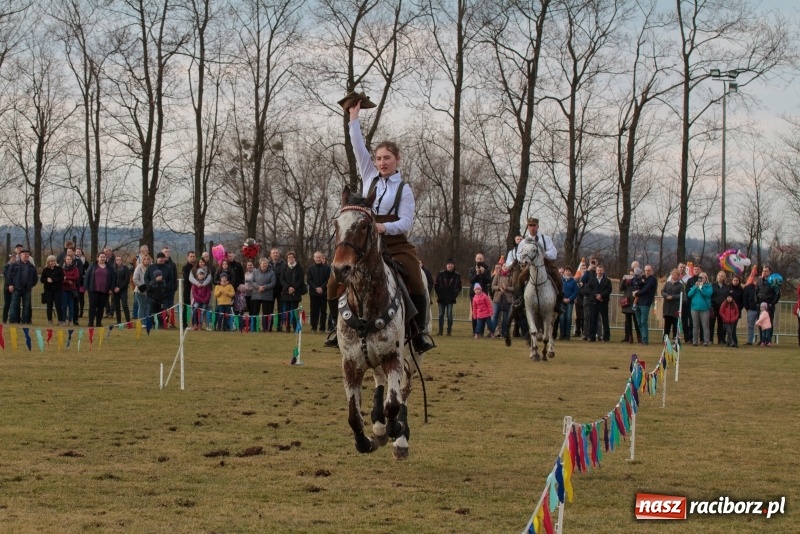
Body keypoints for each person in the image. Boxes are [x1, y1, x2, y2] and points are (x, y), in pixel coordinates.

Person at [326, 97, 435, 353]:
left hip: (395, 244)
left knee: (417, 282)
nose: (382, 162)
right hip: (364, 243)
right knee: (334, 281)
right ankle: (334, 328)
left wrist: (383, 228)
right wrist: (354, 117)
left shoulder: (405, 190)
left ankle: (419, 334)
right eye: (379, 158)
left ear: (397, 159)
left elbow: (406, 222)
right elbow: (357, 146)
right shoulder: (369, 175)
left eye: (387, 158)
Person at [514, 218, 562, 314]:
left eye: (534, 225)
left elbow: (554, 252)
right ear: (528, 227)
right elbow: (518, 255)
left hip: (545, 264)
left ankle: (559, 303)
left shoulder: (545, 238)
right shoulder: (523, 242)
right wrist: (524, 259)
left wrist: (544, 254)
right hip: (529, 265)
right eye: (530, 225)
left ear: (537, 226)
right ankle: (521, 300)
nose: (532, 227)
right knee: (519, 278)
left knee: (558, 278)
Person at [84, 252, 116, 328]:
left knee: (101, 307)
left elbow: (113, 278)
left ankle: (98, 322)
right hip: (93, 290)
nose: (102, 258)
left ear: (106, 258)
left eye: (104, 257)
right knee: (92, 306)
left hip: (104, 291)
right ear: (97, 258)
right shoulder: (92, 266)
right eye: (101, 257)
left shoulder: (109, 267)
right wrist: (86, 288)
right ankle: (91, 322)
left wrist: (111, 288)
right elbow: (87, 277)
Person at [7, 248, 37, 324]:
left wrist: (31, 285)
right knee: (14, 305)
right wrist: (10, 284)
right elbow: (9, 275)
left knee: (26, 306)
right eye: (25, 254)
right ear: (20, 255)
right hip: (16, 288)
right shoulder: (15, 265)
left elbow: (35, 278)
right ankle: (13, 320)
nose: (26, 255)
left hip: (27, 289)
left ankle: (24, 320)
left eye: (28, 254)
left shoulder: (32, 267)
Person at [435, 258, 461, 336]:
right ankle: (440, 331)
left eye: (451, 264)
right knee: (440, 314)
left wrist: (454, 295)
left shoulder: (457, 275)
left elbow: (459, 286)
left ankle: (449, 331)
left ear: (454, 265)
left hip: (451, 298)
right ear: (446, 265)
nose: (450, 265)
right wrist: (439, 294)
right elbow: (436, 285)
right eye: (449, 264)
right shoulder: (440, 274)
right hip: (441, 297)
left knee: (449, 314)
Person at [280, 251, 305, 332]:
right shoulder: (284, 267)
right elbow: (282, 279)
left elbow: (301, 279)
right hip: (286, 292)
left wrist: (294, 288)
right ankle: (287, 327)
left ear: (294, 258)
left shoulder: (299, 268)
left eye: (292, 257)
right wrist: (288, 287)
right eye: (289, 257)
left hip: (296, 292)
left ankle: (295, 326)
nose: (290, 258)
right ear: (287, 259)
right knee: (286, 311)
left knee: (294, 311)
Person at [585, 264, 612, 342]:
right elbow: (587, 289)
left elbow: (609, 290)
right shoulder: (592, 280)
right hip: (593, 302)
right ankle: (591, 336)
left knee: (605, 320)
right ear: (596, 271)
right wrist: (596, 295)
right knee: (593, 319)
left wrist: (601, 295)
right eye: (598, 270)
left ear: (603, 271)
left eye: (601, 270)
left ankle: (606, 337)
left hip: (603, 302)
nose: (599, 272)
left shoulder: (607, 280)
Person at [631, 265, 657, 345]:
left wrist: (637, 293)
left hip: (645, 303)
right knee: (639, 323)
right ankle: (643, 339)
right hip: (638, 302)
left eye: (648, 270)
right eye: (645, 270)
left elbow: (646, 289)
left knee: (643, 322)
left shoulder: (653, 280)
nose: (647, 272)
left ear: (651, 270)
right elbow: (635, 284)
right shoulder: (643, 278)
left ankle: (645, 340)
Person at [755, 265, 781, 343]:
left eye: (766, 271)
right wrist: (756, 302)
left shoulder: (774, 281)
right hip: (760, 304)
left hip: (769, 304)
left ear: (769, 272)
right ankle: (762, 340)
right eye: (763, 271)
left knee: (769, 322)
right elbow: (756, 292)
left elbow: (778, 294)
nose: (764, 272)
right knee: (761, 322)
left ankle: (768, 340)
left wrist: (772, 303)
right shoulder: (759, 281)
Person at [306, 251, 330, 333]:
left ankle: (322, 328)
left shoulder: (327, 268)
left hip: (324, 292)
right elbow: (309, 280)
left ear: (322, 258)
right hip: (313, 293)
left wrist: (322, 287)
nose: (318, 259)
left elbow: (328, 279)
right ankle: (314, 327)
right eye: (316, 257)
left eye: (319, 257)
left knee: (323, 311)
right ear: (314, 258)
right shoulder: (310, 268)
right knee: (314, 310)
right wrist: (316, 288)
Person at [468, 253, 492, 336]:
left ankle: (481, 331)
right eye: (478, 258)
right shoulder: (472, 269)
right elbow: (471, 280)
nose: (479, 260)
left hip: (483, 294)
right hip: (473, 294)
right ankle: (475, 331)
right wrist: (477, 273)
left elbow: (487, 281)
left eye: (481, 259)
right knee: (475, 312)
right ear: (475, 259)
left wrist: (482, 273)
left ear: (483, 259)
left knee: (484, 312)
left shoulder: (487, 270)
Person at [687, 271, 712, 346]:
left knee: (705, 325)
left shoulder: (708, 286)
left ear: (706, 278)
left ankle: (706, 341)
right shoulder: (695, 286)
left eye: (703, 278)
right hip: (694, 308)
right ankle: (695, 341)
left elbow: (707, 294)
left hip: (704, 309)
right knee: (695, 325)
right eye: (700, 278)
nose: (702, 279)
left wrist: (701, 287)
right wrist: (695, 287)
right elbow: (689, 294)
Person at [491, 262, 514, 338]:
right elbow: (493, 286)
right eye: (504, 266)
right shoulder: (498, 275)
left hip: (507, 299)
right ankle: (492, 332)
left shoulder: (512, 276)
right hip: (497, 298)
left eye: (507, 266)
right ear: (502, 267)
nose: (505, 267)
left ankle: (504, 333)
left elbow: (514, 288)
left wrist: (507, 288)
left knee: (505, 317)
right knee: (495, 316)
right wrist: (499, 288)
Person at [40, 255, 64, 326]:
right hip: (48, 290)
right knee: (49, 306)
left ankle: (60, 321)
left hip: (57, 290)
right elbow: (42, 279)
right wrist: (47, 280)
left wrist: (53, 280)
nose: (52, 262)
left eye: (53, 261)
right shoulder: (45, 270)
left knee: (58, 305)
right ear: (48, 262)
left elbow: (61, 278)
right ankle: (50, 320)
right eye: (51, 261)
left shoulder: (59, 269)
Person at [661, 268, 684, 341]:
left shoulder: (680, 285)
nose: (674, 276)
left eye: (676, 275)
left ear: (678, 276)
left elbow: (681, 295)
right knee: (667, 324)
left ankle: (675, 338)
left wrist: (673, 297)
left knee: (675, 324)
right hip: (667, 307)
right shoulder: (667, 283)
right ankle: (665, 338)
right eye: (673, 275)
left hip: (675, 307)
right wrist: (666, 295)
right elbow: (663, 291)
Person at [620, 268, 641, 344]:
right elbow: (621, 288)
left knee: (636, 321)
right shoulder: (626, 281)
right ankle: (630, 337)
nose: (631, 275)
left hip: (635, 302)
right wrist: (623, 279)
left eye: (633, 273)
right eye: (630, 274)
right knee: (628, 321)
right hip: (627, 302)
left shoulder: (637, 281)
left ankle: (639, 336)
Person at [709, 270, 729, 345]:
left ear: (724, 278)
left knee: (721, 324)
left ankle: (721, 339)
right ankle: (710, 339)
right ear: (717, 276)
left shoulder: (726, 287)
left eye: (722, 276)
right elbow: (710, 295)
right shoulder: (712, 285)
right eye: (719, 275)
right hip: (714, 307)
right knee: (711, 323)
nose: (720, 277)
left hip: (723, 307)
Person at [559, 267, 579, 341]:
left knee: (568, 318)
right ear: (564, 272)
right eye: (566, 271)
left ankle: (567, 335)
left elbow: (575, 292)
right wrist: (563, 298)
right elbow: (559, 290)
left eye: (569, 271)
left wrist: (570, 299)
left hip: (570, 302)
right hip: (562, 302)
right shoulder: (561, 281)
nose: (567, 272)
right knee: (562, 318)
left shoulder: (573, 281)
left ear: (571, 272)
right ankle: (562, 334)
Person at [269, 248, 286, 329]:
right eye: (273, 253)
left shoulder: (283, 264)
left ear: (279, 254)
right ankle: (270, 326)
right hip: (270, 290)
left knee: (281, 309)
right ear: (271, 255)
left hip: (281, 290)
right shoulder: (267, 264)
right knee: (270, 309)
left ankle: (279, 326)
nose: (275, 254)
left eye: (276, 253)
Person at [61, 254, 80, 326]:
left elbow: (76, 277)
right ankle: (63, 320)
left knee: (71, 305)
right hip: (64, 289)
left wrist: (67, 277)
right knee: (64, 305)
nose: (69, 260)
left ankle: (70, 320)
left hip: (72, 289)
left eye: (70, 259)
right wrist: (67, 281)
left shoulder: (75, 268)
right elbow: (61, 278)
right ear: (65, 260)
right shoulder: (62, 269)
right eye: (67, 259)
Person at [112, 255, 131, 324]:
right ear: (115, 261)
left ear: (122, 260)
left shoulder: (125, 268)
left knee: (124, 305)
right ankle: (118, 321)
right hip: (115, 289)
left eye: (120, 259)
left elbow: (127, 280)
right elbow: (111, 279)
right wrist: (113, 287)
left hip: (123, 289)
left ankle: (128, 321)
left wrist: (119, 288)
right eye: (117, 259)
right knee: (117, 306)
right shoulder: (113, 268)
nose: (119, 261)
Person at [742, 267, 760, 345]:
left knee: (761, 326)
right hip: (751, 309)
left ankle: (762, 340)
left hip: (761, 309)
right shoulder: (747, 288)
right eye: (754, 279)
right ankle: (750, 340)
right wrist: (747, 308)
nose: (756, 281)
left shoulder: (762, 287)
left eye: (757, 279)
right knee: (750, 326)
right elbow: (745, 298)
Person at [133, 254, 151, 320]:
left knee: (147, 307)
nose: (146, 261)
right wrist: (141, 286)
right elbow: (135, 279)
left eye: (147, 259)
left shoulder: (151, 268)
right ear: (142, 260)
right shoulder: (139, 267)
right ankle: (141, 322)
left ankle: (146, 322)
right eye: (145, 259)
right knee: (141, 306)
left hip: (149, 290)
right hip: (140, 290)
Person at [2, 254, 16, 323]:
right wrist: (10, 285)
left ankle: (13, 319)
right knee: (7, 303)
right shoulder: (6, 267)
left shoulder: (17, 266)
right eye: (12, 258)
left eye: (14, 258)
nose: (13, 259)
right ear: (9, 259)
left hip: (16, 287)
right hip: (7, 287)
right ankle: (4, 319)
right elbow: (7, 276)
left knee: (14, 304)